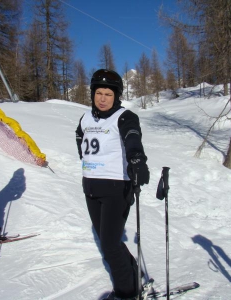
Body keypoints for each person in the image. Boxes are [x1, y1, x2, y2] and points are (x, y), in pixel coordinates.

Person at [76, 69, 150, 299]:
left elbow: (132, 138)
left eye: (108, 94)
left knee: (108, 245)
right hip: (91, 187)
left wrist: (137, 160)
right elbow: (80, 136)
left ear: (116, 96)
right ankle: (132, 275)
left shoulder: (124, 116)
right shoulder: (86, 118)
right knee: (110, 241)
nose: (102, 98)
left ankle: (127, 293)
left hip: (117, 189)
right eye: (99, 93)